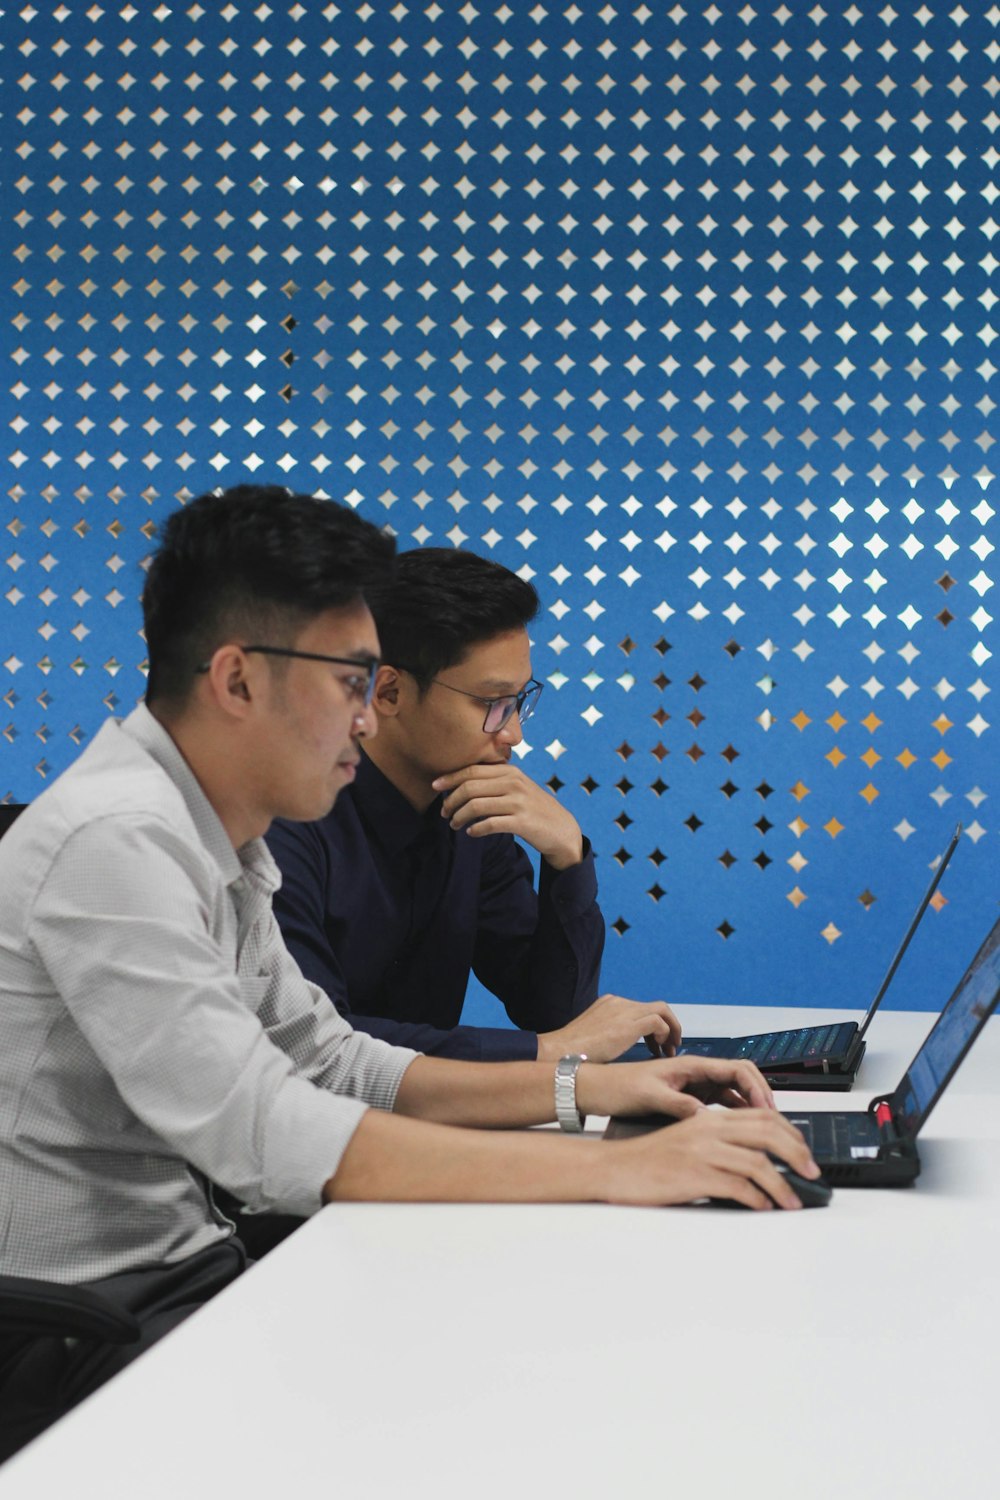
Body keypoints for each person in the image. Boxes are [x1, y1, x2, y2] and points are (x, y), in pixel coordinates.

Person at [0, 484, 818, 1461]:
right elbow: (262, 1126)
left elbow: (333, 1059)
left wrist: (588, 1089)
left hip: (180, 1278)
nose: (365, 719)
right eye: (352, 682)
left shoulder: (219, 837)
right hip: (79, 1327)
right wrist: (612, 1166)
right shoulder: (118, 838)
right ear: (237, 679)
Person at [266, 547, 668, 1063]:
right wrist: (546, 1051)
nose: (515, 734)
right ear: (387, 692)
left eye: (519, 700)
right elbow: (314, 1046)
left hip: (424, 1123)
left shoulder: (472, 808)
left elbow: (553, 1012)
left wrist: (567, 856)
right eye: (491, 703)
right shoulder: (283, 818)